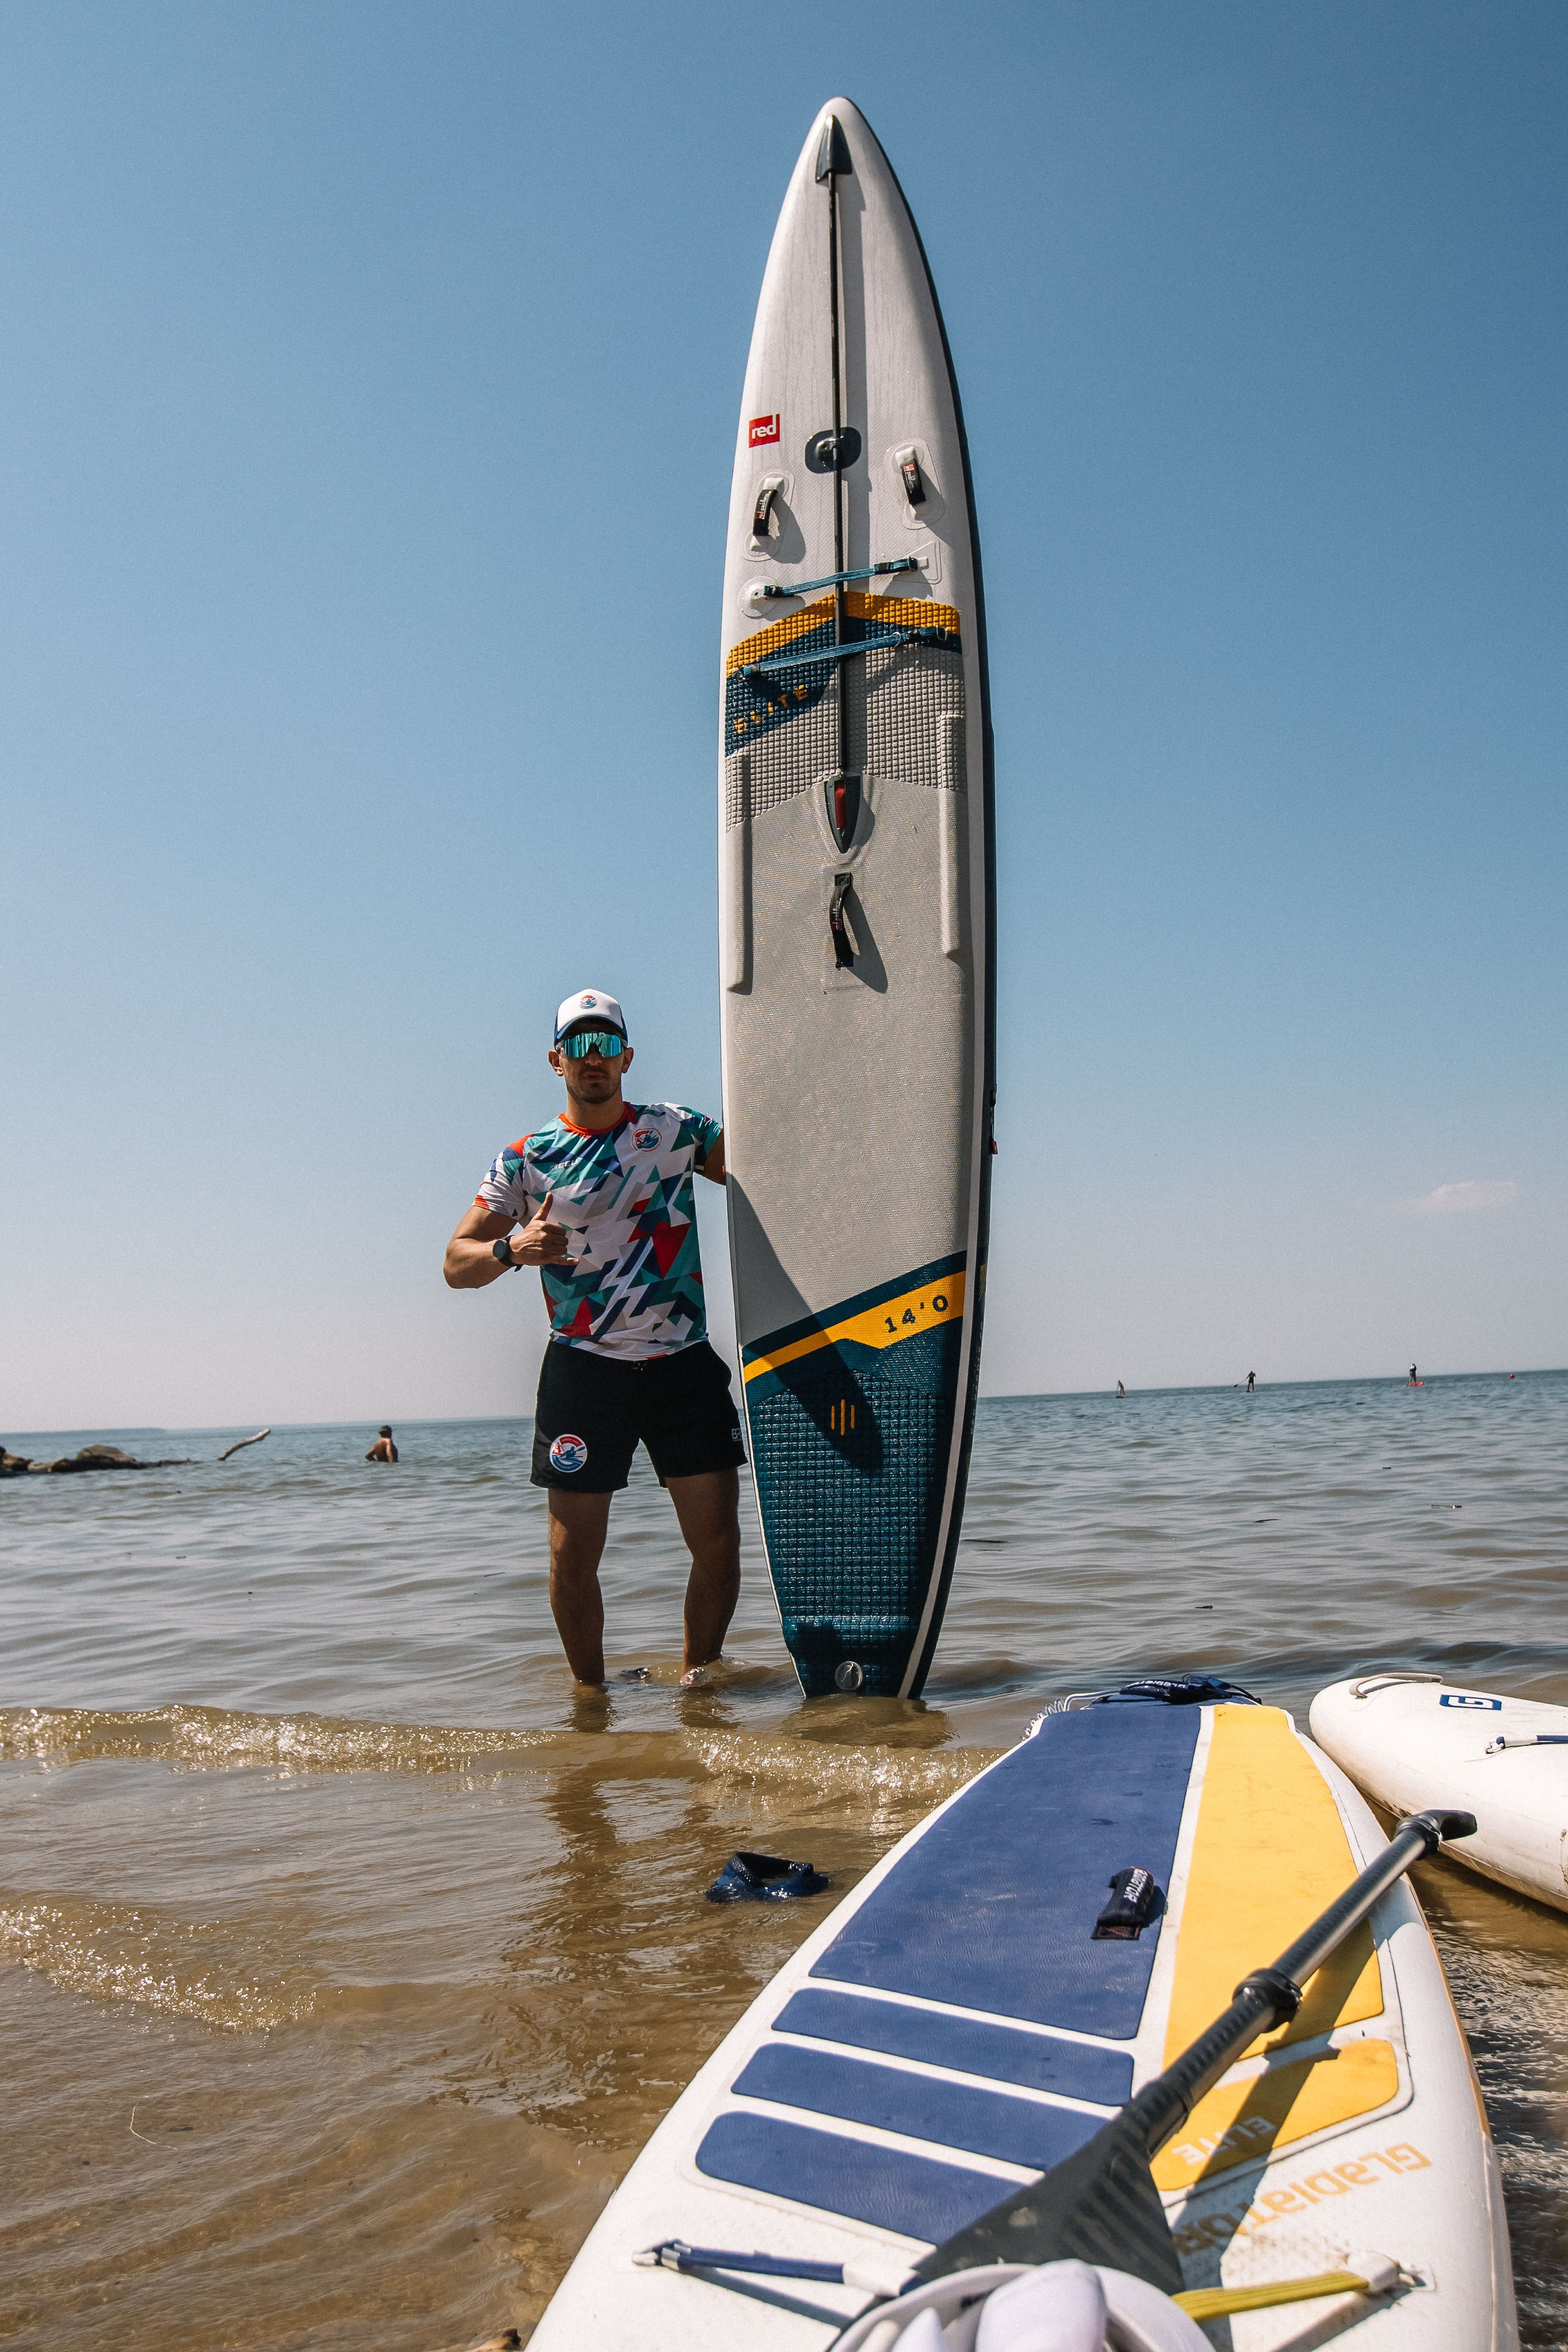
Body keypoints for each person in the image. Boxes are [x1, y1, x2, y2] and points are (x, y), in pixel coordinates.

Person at [443, 989, 745, 1691]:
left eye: (605, 1043)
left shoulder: (677, 1130)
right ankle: (591, 1703)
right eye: (577, 1045)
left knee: (718, 1544)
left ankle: (698, 1688)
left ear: (626, 1056)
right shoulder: (525, 1159)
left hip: (680, 1363)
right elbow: (456, 1263)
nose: (592, 1058)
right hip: (584, 1372)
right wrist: (511, 1249)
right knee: (570, 1558)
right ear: (556, 1061)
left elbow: (774, 1169)